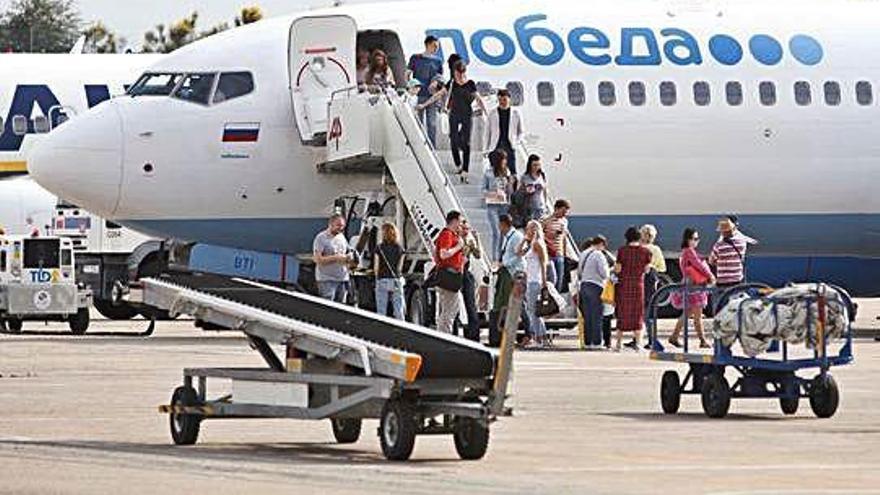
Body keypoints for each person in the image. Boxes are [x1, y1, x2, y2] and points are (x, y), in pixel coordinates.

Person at [669, 228, 715, 348]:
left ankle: (674, 336)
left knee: (687, 313)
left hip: (689, 285)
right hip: (694, 287)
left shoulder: (685, 251)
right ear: (687, 239)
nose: (696, 241)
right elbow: (698, 265)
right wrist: (710, 276)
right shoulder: (689, 251)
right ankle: (703, 340)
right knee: (697, 315)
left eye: (697, 239)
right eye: (694, 239)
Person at [489, 214, 529, 347]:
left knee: (517, 304)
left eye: (499, 225)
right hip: (509, 272)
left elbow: (520, 255)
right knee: (508, 304)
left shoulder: (516, 236)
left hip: (514, 273)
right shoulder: (508, 237)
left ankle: (528, 333)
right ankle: (516, 334)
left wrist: (504, 264)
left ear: (504, 224)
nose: (499, 228)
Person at [446, 60, 487, 183]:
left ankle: (465, 170)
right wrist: (426, 104)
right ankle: (458, 164)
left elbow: (478, 98)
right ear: (454, 72)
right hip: (454, 114)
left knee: (466, 143)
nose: (459, 76)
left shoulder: (470, 84)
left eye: (461, 73)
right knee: (453, 140)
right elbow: (441, 94)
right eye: (457, 73)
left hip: (466, 115)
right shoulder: (452, 83)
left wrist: (486, 112)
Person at [613, 227, 653, 351]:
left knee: (622, 313)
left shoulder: (622, 251)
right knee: (637, 314)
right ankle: (638, 345)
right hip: (638, 285)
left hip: (624, 285)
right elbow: (647, 270)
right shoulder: (646, 252)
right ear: (639, 237)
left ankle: (618, 344)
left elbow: (618, 269)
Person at [407, 35, 444, 146]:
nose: (436, 48)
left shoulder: (438, 61)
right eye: (435, 45)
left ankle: (432, 147)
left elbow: (440, 77)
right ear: (427, 44)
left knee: (432, 123)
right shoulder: (415, 58)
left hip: (432, 96)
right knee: (418, 122)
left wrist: (436, 83)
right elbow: (407, 73)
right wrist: (409, 87)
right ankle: (418, 145)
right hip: (418, 95)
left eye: (437, 46)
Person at [518, 219, 549, 348]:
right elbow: (518, 252)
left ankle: (538, 339)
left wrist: (544, 281)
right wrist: (524, 240)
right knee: (534, 311)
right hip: (530, 280)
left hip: (535, 281)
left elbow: (543, 263)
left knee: (533, 311)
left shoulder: (537, 244)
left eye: (530, 228)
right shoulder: (531, 244)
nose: (527, 231)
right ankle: (542, 337)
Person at [434, 211, 466, 334]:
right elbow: (443, 254)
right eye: (460, 221)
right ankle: (445, 337)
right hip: (449, 276)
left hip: (448, 275)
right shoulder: (447, 234)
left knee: (447, 310)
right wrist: (459, 246)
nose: (461, 224)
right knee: (449, 312)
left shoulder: (449, 234)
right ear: (454, 221)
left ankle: (441, 336)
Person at [578, 235, 610, 350]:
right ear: (601, 244)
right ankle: (596, 342)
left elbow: (579, 272)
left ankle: (587, 342)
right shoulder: (598, 254)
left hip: (584, 285)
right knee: (596, 316)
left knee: (587, 316)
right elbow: (604, 274)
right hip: (595, 286)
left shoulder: (583, 253)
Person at [313, 214, 353, 303]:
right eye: (338, 225)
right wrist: (336, 258)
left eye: (342, 226)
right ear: (330, 224)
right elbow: (318, 260)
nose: (341, 228)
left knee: (341, 307)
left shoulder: (341, 237)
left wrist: (349, 257)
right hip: (327, 279)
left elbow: (347, 251)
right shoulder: (321, 238)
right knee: (328, 307)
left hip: (342, 278)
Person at [485, 88, 525, 175]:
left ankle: (512, 187)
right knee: (494, 172)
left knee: (513, 171)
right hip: (496, 146)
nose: (502, 102)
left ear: (509, 99)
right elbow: (487, 132)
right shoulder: (492, 113)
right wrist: (486, 149)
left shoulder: (516, 113)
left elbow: (521, 131)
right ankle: (496, 187)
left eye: (504, 99)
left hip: (509, 145)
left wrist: (517, 142)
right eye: (500, 100)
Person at [482, 149, 514, 257]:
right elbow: (483, 191)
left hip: (504, 205)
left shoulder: (507, 172)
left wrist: (510, 186)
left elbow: (509, 189)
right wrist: (494, 194)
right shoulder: (488, 173)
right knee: (496, 231)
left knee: (503, 233)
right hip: (492, 206)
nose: (505, 161)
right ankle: (494, 257)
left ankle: (500, 256)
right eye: (503, 159)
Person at [708, 215, 751, 289]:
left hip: (723, 282)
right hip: (737, 280)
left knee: (722, 299)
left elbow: (711, 261)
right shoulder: (743, 242)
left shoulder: (719, 245)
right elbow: (741, 258)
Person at [374, 223, 406, 319]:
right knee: (398, 310)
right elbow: (399, 268)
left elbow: (376, 267)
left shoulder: (379, 248)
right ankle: (401, 330)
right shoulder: (400, 249)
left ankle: (382, 330)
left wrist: (377, 278)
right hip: (396, 280)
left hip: (382, 279)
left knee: (381, 310)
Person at [459, 220, 482, 341]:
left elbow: (478, 255)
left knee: (471, 305)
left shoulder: (469, 241)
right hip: (457, 274)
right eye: (464, 228)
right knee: (456, 306)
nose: (465, 231)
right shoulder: (456, 240)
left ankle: (473, 335)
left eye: (467, 229)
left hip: (466, 274)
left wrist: (477, 241)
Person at [543, 199, 571, 293]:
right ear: (556, 209)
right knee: (552, 279)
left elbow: (564, 238)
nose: (564, 214)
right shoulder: (545, 220)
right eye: (563, 211)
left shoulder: (564, 222)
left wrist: (565, 253)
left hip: (559, 254)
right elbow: (540, 237)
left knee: (560, 279)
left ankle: (557, 301)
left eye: (566, 212)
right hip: (549, 255)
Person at [640, 224, 667, 321]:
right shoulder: (656, 250)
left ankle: (638, 329)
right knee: (649, 304)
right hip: (651, 280)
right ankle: (648, 328)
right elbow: (662, 268)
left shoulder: (637, 248)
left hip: (637, 280)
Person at [520, 154, 548, 221]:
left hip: (540, 206)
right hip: (529, 207)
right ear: (530, 165)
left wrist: (545, 204)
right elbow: (521, 191)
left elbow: (545, 190)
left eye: (538, 165)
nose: (536, 167)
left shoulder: (542, 175)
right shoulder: (525, 177)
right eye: (534, 165)